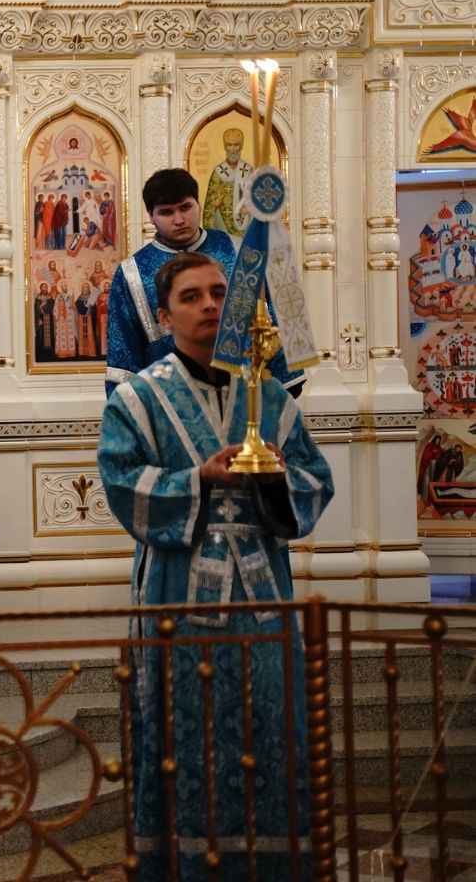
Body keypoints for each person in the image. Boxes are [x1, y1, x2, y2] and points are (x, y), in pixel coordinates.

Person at [98, 251, 333, 882]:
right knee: (183, 733)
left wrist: (278, 481)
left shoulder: (271, 398)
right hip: (177, 596)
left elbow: (316, 480)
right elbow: (120, 482)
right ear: (164, 315)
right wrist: (196, 479)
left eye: (219, 293)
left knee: (272, 724)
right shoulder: (138, 399)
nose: (209, 305)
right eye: (192, 296)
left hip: (263, 601)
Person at [106, 167, 301, 397]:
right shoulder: (131, 274)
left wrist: (282, 390)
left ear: (198, 204)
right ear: (151, 216)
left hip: (244, 398)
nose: (179, 220)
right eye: (166, 212)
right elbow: (123, 352)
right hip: (170, 403)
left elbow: (273, 323)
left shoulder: (241, 252)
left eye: (185, 207)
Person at [202, 127, 254, 236]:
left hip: (245, 227)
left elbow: (257, 201)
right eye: (229, 145)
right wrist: (216, 204)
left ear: (242, 146)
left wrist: (250, 209)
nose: (233, 150)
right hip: (222, 227)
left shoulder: (248, 171)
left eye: (236, 145)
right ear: (225, 146)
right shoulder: (218, 172)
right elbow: (209, 206)